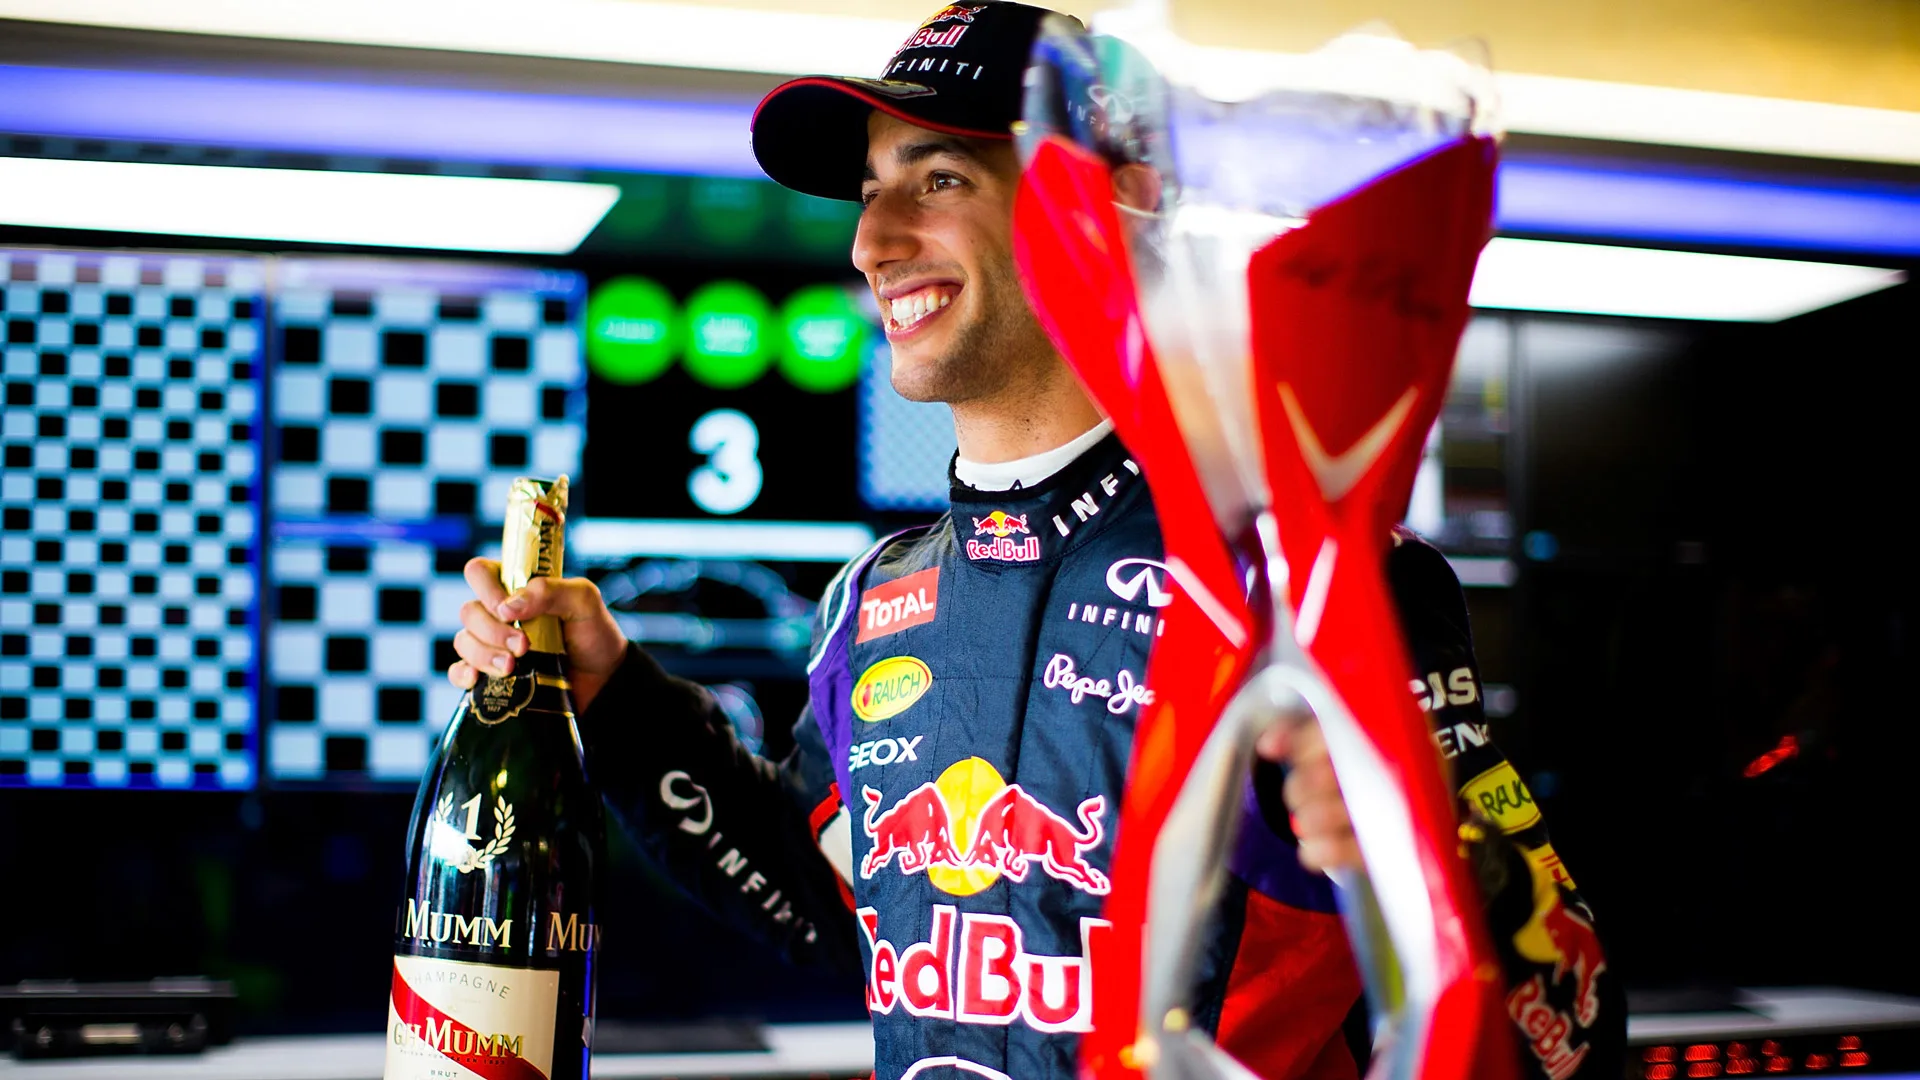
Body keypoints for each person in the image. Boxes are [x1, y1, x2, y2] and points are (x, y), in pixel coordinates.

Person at [449, 4, 1624, 1078]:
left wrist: (1430, 862)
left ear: (1116, 204)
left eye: (940, 176)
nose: (872, 242)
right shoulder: (871, 603)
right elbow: (830, 904)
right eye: (868, 192)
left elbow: (1576, 1033)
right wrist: (615, 697)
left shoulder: (1310, 579)